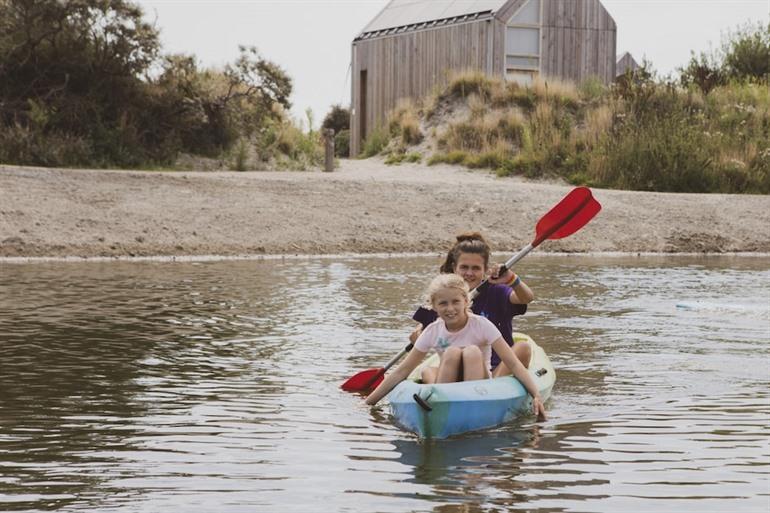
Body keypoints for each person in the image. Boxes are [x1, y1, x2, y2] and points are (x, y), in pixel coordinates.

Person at [365, 274, 546, 420]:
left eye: (455, 302)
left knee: (471, 351)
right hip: (448, 387)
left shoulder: (481, 324)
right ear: (434, 306)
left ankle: (471, 410)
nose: (450, 308)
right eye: (443, 303)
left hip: (478, 388)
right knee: (451, 353)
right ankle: (440, 408)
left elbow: (514, 364)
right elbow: (401, 371)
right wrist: (368, 403)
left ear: (466, 302)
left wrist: (536, 395)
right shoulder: (432, 330)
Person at [411, 233, 534, 381]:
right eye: (464, 267)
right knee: (427, 371)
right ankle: (439, 393)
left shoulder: (498, 290)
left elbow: (526, 298)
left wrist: (511, 280)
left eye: (475, 268)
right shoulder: (441, 295)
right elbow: (421, 332)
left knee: (523, 348)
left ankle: (492, 388)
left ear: (485, 270)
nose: (469, 273)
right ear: (454, 268)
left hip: (493, 370)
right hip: (455, 369)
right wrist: (417, 335)